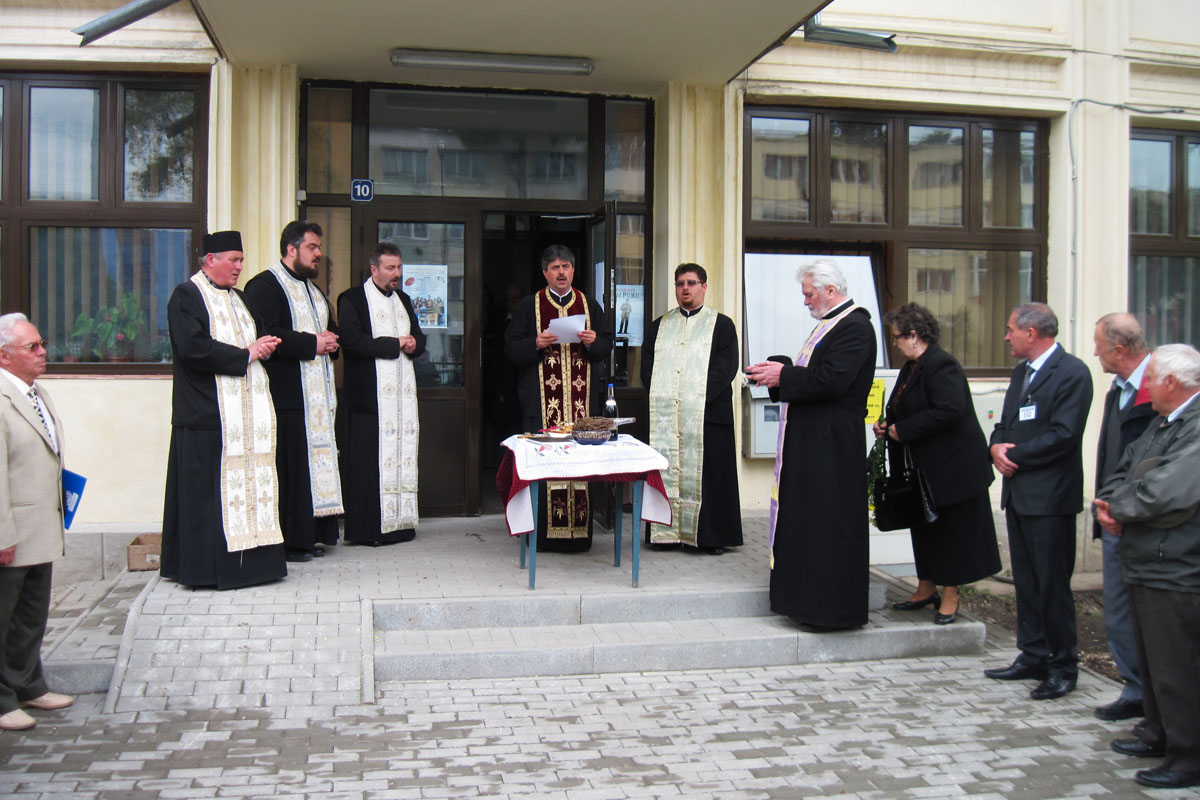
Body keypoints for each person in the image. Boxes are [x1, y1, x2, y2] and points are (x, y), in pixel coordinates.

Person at [745, 259, 877, 630]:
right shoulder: (830, 325)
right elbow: (814, 375)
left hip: (832, 446)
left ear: (829, 291)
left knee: (826, 525)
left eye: (808, 294)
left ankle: (828, 610)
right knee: (807, 521)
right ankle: (801, 602)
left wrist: (783, 374)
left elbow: (831, 381)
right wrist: (778, 371)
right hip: (814, 443)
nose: (804, 302)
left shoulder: (855, 327)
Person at [1095, 344, 1200, 791]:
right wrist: (1116, 503)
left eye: (1152, 379)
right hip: (1146, 560)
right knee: (1155, 662)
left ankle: (1188, 757)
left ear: (1173, 384)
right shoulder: (1163, 423)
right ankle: (1159, 733)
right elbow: (1123, 472)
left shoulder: (1194, 429)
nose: (1146, 387)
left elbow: (1166, 493)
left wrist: (1119, 509)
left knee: (1176, 667)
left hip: (1174, 566)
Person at [161, 230, 286, 589]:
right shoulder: (186, 296)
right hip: (207, 416)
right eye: (233, 260)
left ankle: (258, 566)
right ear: (210, 259)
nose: (239, 267)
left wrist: (267, 345)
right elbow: (193, 348)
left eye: (241, 260)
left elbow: (259, 337)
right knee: (206, 498)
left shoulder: (241, 298)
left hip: (246, 418)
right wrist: (247, 353)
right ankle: (207, 572)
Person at [984, 302, 1092, 700]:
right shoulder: (1021, 373)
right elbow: (1005, 423)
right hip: (1020, 495)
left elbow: (1065, 434)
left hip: (1050, 498)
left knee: (1052, 585)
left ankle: (1063, 664)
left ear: (1032, 333)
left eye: (1011, 329)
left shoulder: (1072, 373)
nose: (1007, 336)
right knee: (1027, 583)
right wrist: (995, 447)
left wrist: (1014, 456)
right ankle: (1032, 654)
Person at [874, 303, 1001, 625]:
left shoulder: (942, 365)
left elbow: (949, 410)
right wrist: (887, 423)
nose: (895, 343)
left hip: (954, 469)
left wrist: (903, 430)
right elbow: (903, 406)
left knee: (950, 532)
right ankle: (926, 586)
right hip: (925, 469)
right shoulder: (912, 367)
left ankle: (950, 594)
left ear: (914, 335)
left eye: (898, 337)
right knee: (925, 527)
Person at [244, 220, 343, 563]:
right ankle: (289, 542)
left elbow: (329, 331)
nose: (318, 254)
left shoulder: (315, 291)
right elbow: (267, 334)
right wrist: (313, 343)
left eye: (318, 247)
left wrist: (331, 343)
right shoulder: (264, 286)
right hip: (286, 397)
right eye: (313, 247)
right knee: (290, 468)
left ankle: (313, 535)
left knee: (311, 467)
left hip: (316, 399)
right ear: (291, 248)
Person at [504, 244, 613, 552]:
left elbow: (607, 343)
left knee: (578, 468)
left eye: (566, 266)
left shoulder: (588, 304)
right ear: (545, 273)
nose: (561, 272)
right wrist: (535, 343)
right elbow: (511, 349)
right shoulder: (530, 306)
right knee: (545, 468)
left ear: (573, 271)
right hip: (542, 408)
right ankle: (542, 538)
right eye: (555, 267)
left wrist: (594, 342)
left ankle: (578, 537)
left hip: (581, 408)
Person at [0, 314, 75, 731]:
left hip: (41, 527)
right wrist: (2, 534)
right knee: (3, 616)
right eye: (32, 347)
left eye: (41, 343)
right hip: (13, 532)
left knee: (32, 614)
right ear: (4, 356)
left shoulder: (35, 392)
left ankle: (28, 684)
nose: (43, 351)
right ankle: (2, 698)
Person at [641, 263, 743, 554]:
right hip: (668, 417)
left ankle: (710, 537)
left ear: (704, 287)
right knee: (667, 470)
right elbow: (648, 368)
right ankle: (666, 533)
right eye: (679, 283)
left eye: (691, 283)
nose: (685, 288)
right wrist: (664, 395)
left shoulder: (721, 325)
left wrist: (694, 397)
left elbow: (726, 368)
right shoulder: (660, 325)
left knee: (709, 476)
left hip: (707, 415)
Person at [336, 243, 426, 546]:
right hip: (369, 401)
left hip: (401, 402)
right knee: (368, 464)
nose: (396, 274)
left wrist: (415, 343)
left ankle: (401, 525)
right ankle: (368, 530)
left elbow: (418, 335)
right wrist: (395, 344)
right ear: (374, 269)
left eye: (399, 267)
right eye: (390, 268)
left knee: (401, 457)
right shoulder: (352, 299)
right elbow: (352, 341)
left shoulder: (403, 299)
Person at [1090, 312, 1155, 722]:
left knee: (1150, 618)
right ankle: (1134, 689)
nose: (1094, 351)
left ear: (1119, 349)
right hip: (1114, 516)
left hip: (1144, 524)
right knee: (1117, 610)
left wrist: (1124, 508)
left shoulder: (1158, 391)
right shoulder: (1119, 389)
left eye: (1099, 344)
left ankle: (1156, 702)